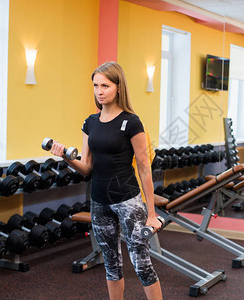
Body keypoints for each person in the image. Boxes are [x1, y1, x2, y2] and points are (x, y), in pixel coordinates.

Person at [49, 62, 163, 300]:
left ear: (118, 87)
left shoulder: (131, 122)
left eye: (105, 85)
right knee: (111, 264)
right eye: (95, 86)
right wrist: (66, 158)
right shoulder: (90, 122)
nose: (99, 91)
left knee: (141, 264)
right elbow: (87, 168)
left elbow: (144, 169)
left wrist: (151, 213)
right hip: (99, 202)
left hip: (128, 201)